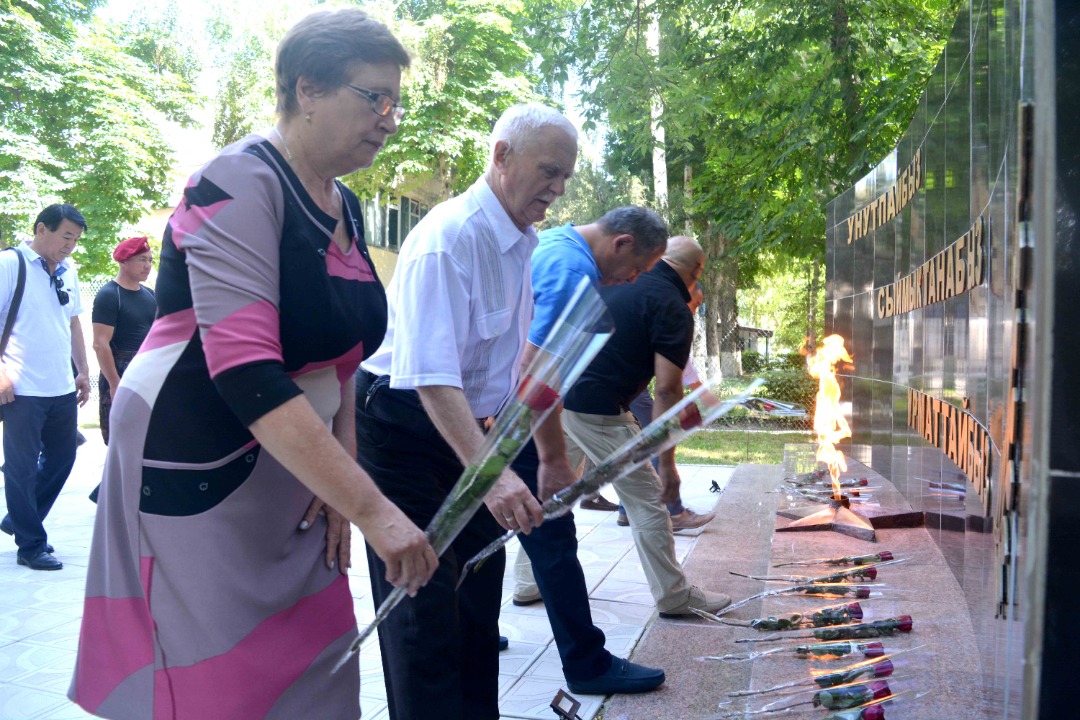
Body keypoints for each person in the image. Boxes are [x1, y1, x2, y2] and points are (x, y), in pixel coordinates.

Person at [69, 11, 437, 718]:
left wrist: (343, 487)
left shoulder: (347, 206)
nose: (390, 118)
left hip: (299, 463)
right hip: (202, 462)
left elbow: (346, 359)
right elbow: (243, 370)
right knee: (218, 680)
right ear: (307, 88)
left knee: (315, 669)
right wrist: (375, 509)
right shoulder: (237, 180)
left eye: (398, 102)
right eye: (375, 97)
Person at [354, 104, 644, 720]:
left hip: (472, 429)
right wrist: (494, 474)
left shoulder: (524, 242)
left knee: (477, 608)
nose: (559, 190)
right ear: (501, 155)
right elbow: (432, 379)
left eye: (566, 176)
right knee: (423, 613)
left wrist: (544, 456)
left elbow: (518, 364)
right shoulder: (449, 238)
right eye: (549, 171)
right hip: (405, 432)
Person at [506, 207, 670, 695]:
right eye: (636, 269)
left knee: (480, 529)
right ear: (621, 244)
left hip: (490, 414)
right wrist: (553, 458)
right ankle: (587, 665)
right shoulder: (572, 272)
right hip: (509, 421)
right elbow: (536, 372)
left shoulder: (556, 241)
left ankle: (468, 633)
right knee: (553, 541)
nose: (630, 281)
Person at [560, 236, 732, 618]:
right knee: (649, 504)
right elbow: (668, 390)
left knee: (556, 496)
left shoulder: (623, 279)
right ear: (695, 272)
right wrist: (666, 464)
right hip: (599, 408)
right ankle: (675, 596)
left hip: (561, 398)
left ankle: (527, 582)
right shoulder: (672, 306)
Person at [0, 204, 91, 571]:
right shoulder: (10, 264)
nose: (70, 245)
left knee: (63, 458)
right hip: (21, 387)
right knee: (21, 467)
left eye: (76, 239)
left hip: (60, 386)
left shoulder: (68, 271)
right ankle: (31, 545)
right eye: (66, 235)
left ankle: (20, 519)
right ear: (41, 229)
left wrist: (83, 371)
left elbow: (72, 325)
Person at [619, 281, 717, 531]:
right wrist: (701, 397)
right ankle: (673, 512)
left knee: (642, 445)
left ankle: (627, 510)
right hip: (622, 388)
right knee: (658, 442)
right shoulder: (669, 311)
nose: (695, 310)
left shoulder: (654, 303)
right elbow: (678, 367)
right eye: (696, 304)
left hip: (624, 388)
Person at [92, 236, 157, 446]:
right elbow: (100, 344)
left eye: (150, 260)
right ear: (124, 261)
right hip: (122, 370)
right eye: (141, 260)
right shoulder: (110, 295)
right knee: (121, 440)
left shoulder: (150, 294)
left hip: (148, 370)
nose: (147, 266)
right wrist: (114, 383)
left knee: (151, 439)